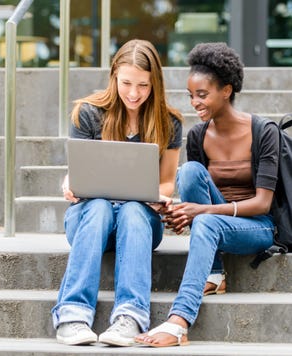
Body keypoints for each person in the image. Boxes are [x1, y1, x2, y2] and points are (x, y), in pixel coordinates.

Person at [135, 42, 279, 347]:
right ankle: (214, 275)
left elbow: (263, 203)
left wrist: (199, 213)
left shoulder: (264, 132)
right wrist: (178, 212)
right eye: (190, 96)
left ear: (226, 91)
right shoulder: (199, 136)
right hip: (213, 219)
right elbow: (196, 194)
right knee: (188, 172)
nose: (194, 103)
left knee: (207, 221)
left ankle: (179, 322)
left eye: (202, 95)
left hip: (257, 225)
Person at [51, 39, 183, 346]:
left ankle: (131, 316)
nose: (134, 93)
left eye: (143, 85)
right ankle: (72, 314)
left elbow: (167, 183)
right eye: (126, 83)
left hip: (138, 224)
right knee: (97, 206)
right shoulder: (88, 113)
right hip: (90, 220)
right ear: (114, 76)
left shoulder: (169, 121)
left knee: (133, 209)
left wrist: (157, 195)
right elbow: (78, 170)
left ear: (155, 84)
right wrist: (69, 184)